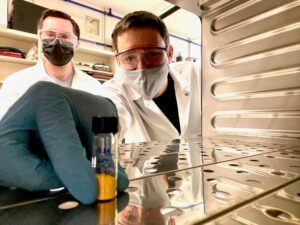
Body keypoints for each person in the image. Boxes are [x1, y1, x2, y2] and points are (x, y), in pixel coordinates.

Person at [0, 81, 129, 204]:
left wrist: (107, 109)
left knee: (105, 180)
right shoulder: (16, 83)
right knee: (84, 184)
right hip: (29, 165)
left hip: (92, 137)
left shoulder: (91, 84)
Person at [102, 11, 201, 144]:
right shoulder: (114, 91)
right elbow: (109, 123)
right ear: (118, 61)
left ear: (169, 53)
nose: (142, 67)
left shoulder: (195, 74)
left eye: (153, 54)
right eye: (129, 57)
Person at [0, 9, 102, 120]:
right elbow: (6, 133)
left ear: (76, 44)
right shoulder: (15, 84)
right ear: (40, 38)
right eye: (50, 35)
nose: (57, 42)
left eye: (65, 36)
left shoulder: (94, 87)